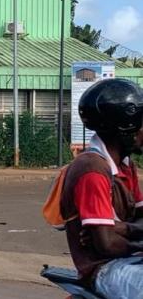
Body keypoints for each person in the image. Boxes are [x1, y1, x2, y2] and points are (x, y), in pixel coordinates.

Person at [61, 78, 143, 298]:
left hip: (129, 259)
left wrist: (123, 228)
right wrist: (133, 236)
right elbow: (107, 245)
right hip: (105, 268)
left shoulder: (125, 166)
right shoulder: (93, 169)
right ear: (126, 128)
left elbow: (140, 217)